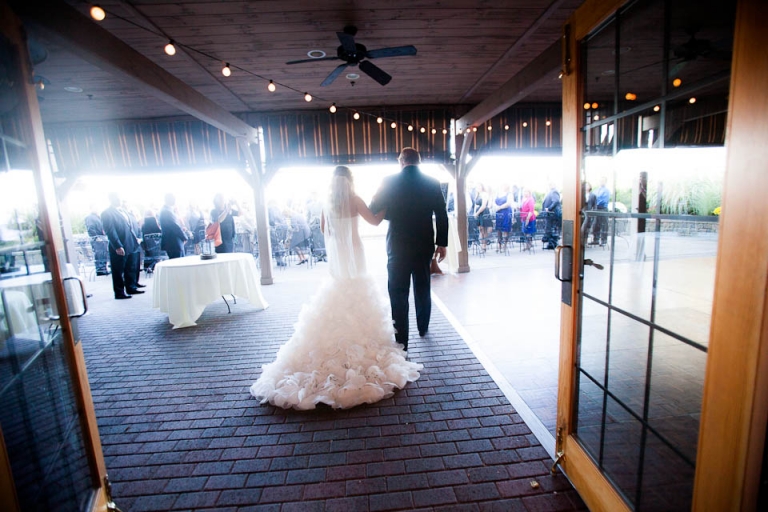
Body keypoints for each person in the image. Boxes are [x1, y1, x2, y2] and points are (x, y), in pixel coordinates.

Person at [250, 166, 422, 410]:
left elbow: (323, 230)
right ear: (350, 181)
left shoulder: (327, 203)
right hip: (355, 253)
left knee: (337, 291)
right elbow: (374, 221)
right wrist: (387, 206)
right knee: (360, 293)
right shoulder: (355, 200)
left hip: (339, 257)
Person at [370, 147, 448, 349]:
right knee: (423, 287)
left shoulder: (388, 181)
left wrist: (391, 214)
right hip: (423, 244)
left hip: (397, 245)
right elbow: (441, 214)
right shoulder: (432, 182)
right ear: (418, 161)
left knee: (397, 292)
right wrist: (442, 243)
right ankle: (423, 327)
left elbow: (374, 207)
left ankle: (401, 339)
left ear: (401, 161)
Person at [101, 193, 143, 299]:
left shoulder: (124, 211)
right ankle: (119, 292)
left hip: (130, 243)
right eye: (117, 199)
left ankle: (131, 287)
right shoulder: (107, 213)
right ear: (111, 199)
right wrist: (118, 246)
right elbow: (110, 231)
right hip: (119, 245)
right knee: (118, 270)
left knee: (130, 267)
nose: (119, 200)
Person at [159, 194, 188, 259]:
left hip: (173, 243)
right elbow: (175, 227)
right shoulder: (167, 211)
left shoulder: (166, 210)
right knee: (178, 265)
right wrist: (184, 237)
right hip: (174, 243)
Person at [85, 206, 109, 275]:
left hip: (101, 237)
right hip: (97, 238)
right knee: (99, 254)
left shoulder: (97, 217)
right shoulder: (90, 218)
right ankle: (100, 270)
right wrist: (96, 238)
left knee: (103, 253)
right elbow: (90, 228)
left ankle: (103, 269)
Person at [473, 183, 493, 253]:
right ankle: (482, 245)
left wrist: (477, 213)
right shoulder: (477, 195)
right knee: (481, 230)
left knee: (484, 230)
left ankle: (484, 246)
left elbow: (484, 205)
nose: (478, 188)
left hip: (483, 212)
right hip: (478, 213)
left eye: (479, 187)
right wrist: (475, 213)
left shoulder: (484, 194)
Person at [494, 184, 514, 252]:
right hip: (498, 212)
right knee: (499, 229)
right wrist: (496, 206)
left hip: (506, 212)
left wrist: (500, 207)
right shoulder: (498, 193)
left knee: (505, 229)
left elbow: (508, 203)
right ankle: (499, 245)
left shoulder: (509, 194)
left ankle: (504, 245)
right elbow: (494, 202)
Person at [592, 177, 610, 246]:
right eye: (600, 181)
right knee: (595, 224)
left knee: (603, 225)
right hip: (596, 209)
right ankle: (595, 239)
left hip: (603, 209)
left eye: (603, 181)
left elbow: (603, 201)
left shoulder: (606, 191)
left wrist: (596, 202)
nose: (601, 182)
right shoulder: (595, 190)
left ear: (605, 182)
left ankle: (603, 241)